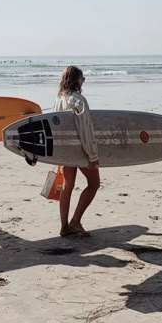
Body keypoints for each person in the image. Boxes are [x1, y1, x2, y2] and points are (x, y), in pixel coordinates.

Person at [54, 65, 100, 237]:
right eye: (83, 78)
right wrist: (92, 155)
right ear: (76, 80)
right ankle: (75, 221)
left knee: (68, 186)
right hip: (80, 151)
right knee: (94, 184)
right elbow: (85, 131)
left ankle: (64, 226)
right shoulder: (79, 100)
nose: (83, 82)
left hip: (66, 151)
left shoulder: (58, 100)